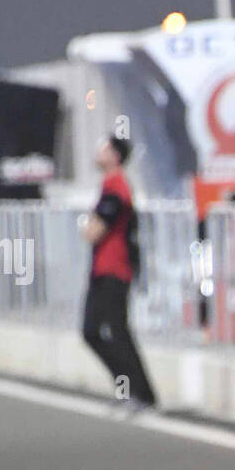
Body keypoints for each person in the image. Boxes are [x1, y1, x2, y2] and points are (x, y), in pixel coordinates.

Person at [81, 134, 157, 411]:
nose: (98, 154)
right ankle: (128, 388)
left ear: (115, 155)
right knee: (92, 330)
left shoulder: (117, 187)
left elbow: (93, 231)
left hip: (115, 269)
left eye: (104, 149)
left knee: (117, 331)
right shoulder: (108, 186)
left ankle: (142, 393)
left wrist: (89, 226)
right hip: (101, 269)